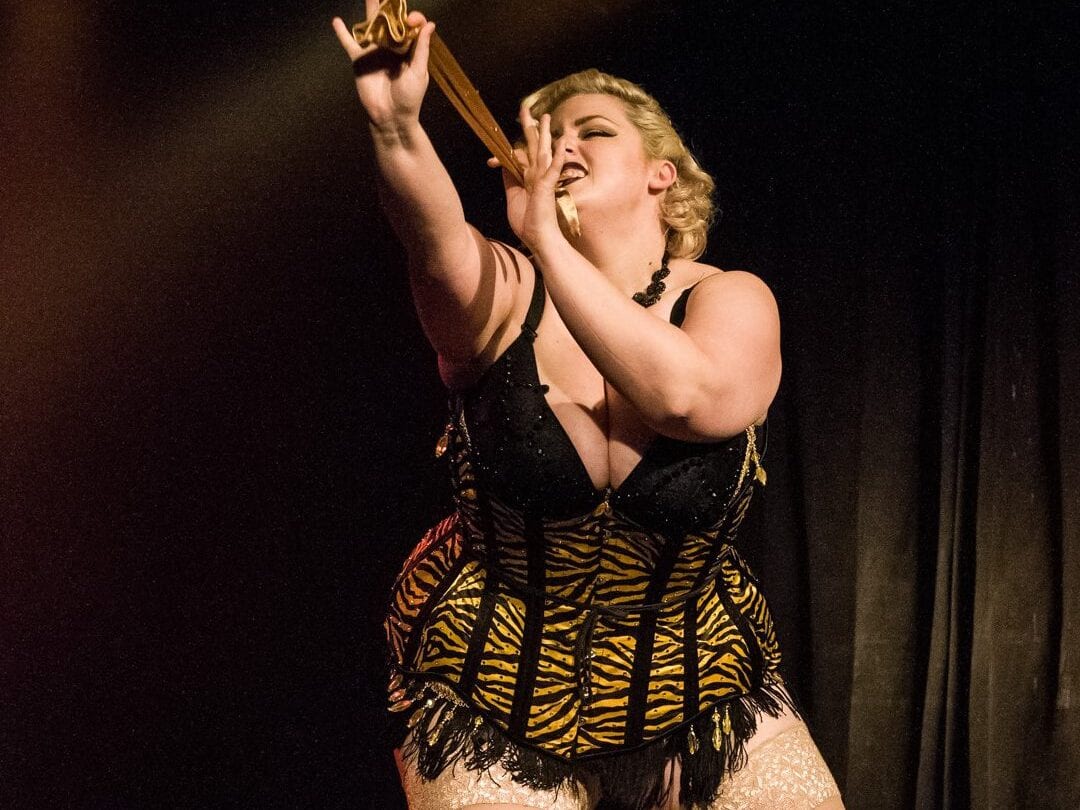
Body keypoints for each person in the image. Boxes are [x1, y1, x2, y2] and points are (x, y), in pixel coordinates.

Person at [334, 5, 843, 809]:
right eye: (545, 135)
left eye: (592, 131)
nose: (560, 147)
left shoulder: (731, 298)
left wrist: (548, 240)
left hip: (696, 687)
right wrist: (397, 129)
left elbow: (686, 398)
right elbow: (433, 247)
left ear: (661, 173)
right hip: (490, 690)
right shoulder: (506, 291)